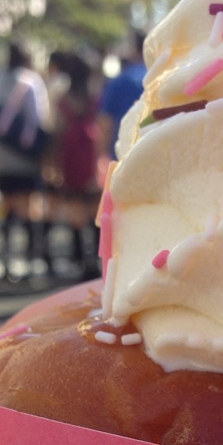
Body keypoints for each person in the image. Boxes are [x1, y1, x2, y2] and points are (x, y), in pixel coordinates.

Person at [0, 42, 51, 284]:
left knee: (7, 209)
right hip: (26, 158)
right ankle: (32, 262)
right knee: (29, 211)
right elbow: (38, 118)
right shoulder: (31, 81)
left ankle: (6, 260)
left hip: (2, 158)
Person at [46, 51, 101, 280]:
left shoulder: (63, 100)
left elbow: (56, 132)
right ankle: (97, 257)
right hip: (92, 157)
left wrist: (53, 164)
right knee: (95, 208)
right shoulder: (96, 98)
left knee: (75, 207)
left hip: (70, 157)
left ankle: (80, 258)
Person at [96, 30, 146, 169]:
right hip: (156, 154)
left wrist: (101, 156)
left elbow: (105, 122)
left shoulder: (119, 81)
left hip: (122, 159)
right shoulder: (162, 80)